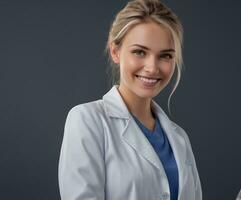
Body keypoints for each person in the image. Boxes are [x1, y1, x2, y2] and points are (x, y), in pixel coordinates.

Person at [58, 0, 202, 199]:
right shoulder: (87, 121)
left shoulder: (179, 137)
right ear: (115, 51)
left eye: (165, 56)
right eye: (140, 52)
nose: (152, 67)